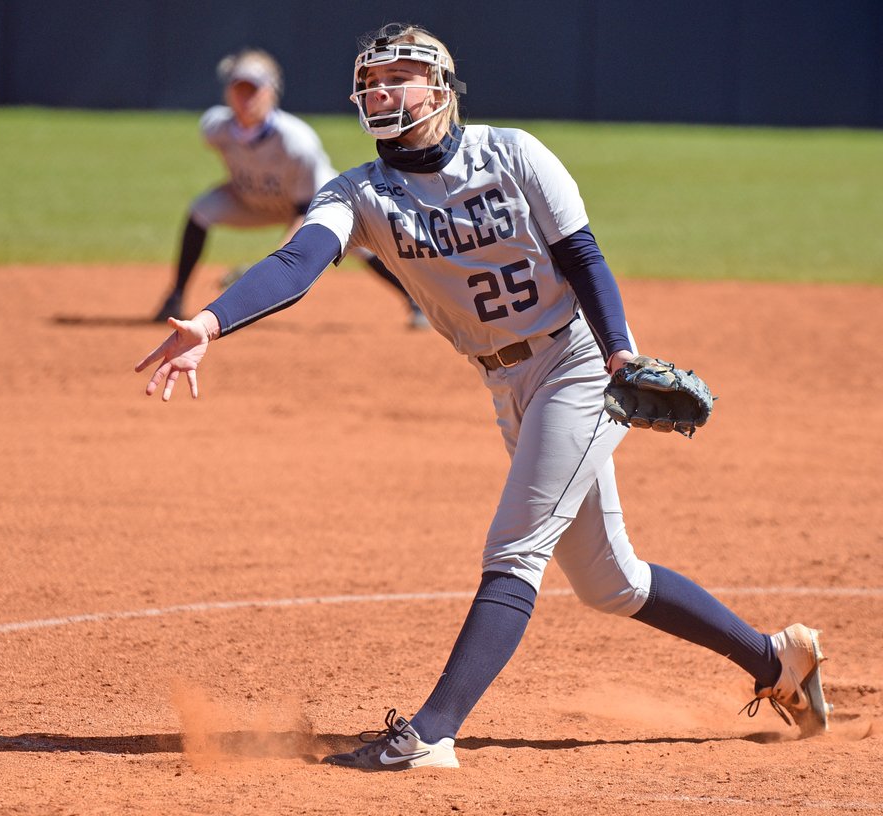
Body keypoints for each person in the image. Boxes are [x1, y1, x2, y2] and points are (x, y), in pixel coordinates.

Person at [135, 24, 831, 771]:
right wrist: (209, 321)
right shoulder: (360, 192)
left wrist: (621, 354)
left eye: (399, 76)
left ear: (439, 87)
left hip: (579, 365)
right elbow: (299, 261)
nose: (382, 91)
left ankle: (431, 733)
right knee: (611, 583)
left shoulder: (514, 153)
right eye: (372, 80)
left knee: (515, 549)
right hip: (505, 384)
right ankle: (776, 660)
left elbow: (582, 256)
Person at [151, 47, 428, 329]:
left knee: (361, 247)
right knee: (202, 210)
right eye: (239, 89)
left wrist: (266, 268)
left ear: (271, 92)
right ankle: (174, 297)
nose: (245, 98)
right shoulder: (215, 128)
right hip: (253, 199)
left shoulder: (296, 141)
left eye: (253, 90)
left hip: (317, 203)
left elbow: (304, 211)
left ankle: (416, 301)